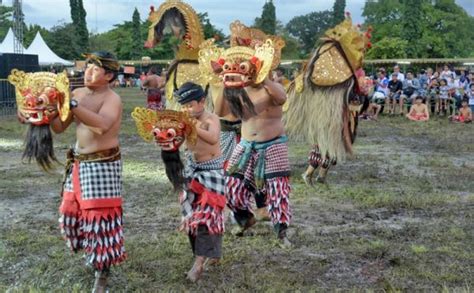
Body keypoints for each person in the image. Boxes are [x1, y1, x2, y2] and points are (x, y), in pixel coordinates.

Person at [50, 51, 126, 292]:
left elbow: (102, 125)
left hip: (102, 164)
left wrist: (72, 104)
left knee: (99, 219)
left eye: (95, 69)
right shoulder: (78, 94)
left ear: (109, 75)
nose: (88, 72)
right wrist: (44, 114)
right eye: (88, 68)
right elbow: (60, 127)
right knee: (70, 212)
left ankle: (102, 271)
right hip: (79, 161)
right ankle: (92, 255)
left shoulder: (112, 99)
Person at [176, 82, 226, 282]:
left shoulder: (210, 118)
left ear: (202, 101)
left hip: (211, 174)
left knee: (207, 217)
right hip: (191, 172)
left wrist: (193, 125)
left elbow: (213, 138)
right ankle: (205, 254)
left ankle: (198, 264)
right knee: (192, 218)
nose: (187, 110)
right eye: (184, 106)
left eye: (190, 105)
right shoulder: (185, 120)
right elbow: (176, 142)